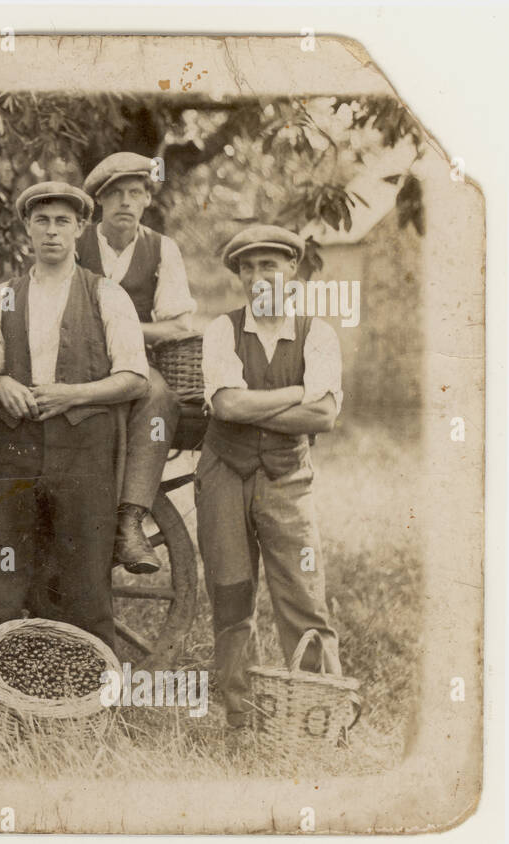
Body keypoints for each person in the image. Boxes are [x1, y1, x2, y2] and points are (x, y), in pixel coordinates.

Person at [0, 181, 149, 655]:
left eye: (62, 222)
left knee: (86, 586)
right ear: (27, 227)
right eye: (42, 221)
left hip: (84, 453)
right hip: (17, 450)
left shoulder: (106, 295)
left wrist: (75, 394)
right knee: (1, 581)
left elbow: (134, 378)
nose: (52, 232)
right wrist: (0, 383)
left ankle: (90, 702)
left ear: (80, 229)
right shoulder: (5, 295)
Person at [195, 225, 343, 729]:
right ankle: (240, 715)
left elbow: (322, 417)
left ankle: (316, 716)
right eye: (249, 267)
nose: (260, 276)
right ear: (239, 275)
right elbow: (226, 404)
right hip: (223, 475)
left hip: (287, 477)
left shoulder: (316, 333)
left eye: (270, 266)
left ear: (292, 272)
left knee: (304, 596)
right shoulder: (222, 329)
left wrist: (247, 409)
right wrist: (297, 392)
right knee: (231, 593)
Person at [79, 152, 198, 573]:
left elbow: (179, 326)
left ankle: (129, 521)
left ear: (147, 199)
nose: (125, 203)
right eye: (115, 195)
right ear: (99, 203)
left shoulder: (162, 249)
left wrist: (121, 331)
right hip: (72, 361)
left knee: (160, 397)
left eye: (135, 193)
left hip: (135, 361)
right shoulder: (74, 244)